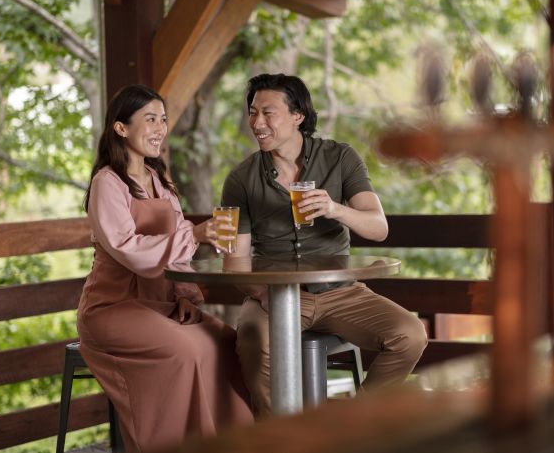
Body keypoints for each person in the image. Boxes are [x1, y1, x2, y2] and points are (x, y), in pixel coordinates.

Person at [221, 73, 428, 417]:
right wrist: (263, 294)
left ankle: (349, 425)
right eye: (252, 112)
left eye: (268, 113)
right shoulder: (241, 179)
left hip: (340, 293)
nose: (257, 122)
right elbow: (235, 262)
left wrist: (334, 208)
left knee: (409, 335)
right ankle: (283, 441)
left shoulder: (340, 157)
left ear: (298, 115)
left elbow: (378, 227)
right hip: (271, 295)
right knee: (256, 345)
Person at [77, 84, 253, 453]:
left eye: (163, 119)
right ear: (121, 128)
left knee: (227, 343)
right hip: (113, 308)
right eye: (150, 119)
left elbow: (176, 257)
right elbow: (130, 251)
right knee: (186, 352)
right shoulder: (106, 184)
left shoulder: (161, 182)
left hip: (163, 303)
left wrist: (187, 295)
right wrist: (196, 231)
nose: (160, 128)